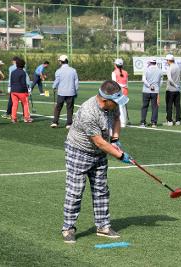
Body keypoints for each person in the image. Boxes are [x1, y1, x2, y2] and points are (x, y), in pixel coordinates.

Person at [61, 80, 132, 244]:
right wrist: (120, 155)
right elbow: (99, 141)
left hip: (100, 153)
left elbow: (116, 120)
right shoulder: (88, 111)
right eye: (116, 101)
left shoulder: (112, 106)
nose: (118, 105)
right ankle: (68, 228)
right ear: (105, 99)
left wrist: (115, 139)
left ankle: (103, 226)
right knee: (75, 192)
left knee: (101, 190)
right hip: (79, 151)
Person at [51, 55, 79, 129]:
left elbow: (57, 81)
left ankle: (55, 122)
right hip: (71, 92)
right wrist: (76, 90)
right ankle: (69, 124)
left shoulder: (58, 71)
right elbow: (76, 82)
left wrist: (53, 86)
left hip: (61, 93)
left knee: (58, 107)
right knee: (70, 108)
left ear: (61, 62)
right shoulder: (73, 70)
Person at [141, 58, 162, 128]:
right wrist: (157, 89)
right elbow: (160, 82)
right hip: (155, 91)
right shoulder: (159, 70)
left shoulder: (146, 69)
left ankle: (143, 122)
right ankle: (154, 123)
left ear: (150, 62)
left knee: (144, 106)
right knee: (155, 107)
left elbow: (144, 79)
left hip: (146, 90)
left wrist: (149, 85)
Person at [10, 58, 32, 123]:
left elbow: (11, 81)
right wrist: (27, 91)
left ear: (16, 65)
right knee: (25, 104)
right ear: (23, 65)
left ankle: (13, 118)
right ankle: (26, 118)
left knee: (15, 104)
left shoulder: (13, 72)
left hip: (13, 90)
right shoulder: (23, 72)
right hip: (21, 91)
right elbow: (23, 83)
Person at [111, 58, 129, 127]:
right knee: (123, 107)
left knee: (120, 107)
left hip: (118, 91)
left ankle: (122, 123)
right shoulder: (126, 72)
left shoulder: (114, 72)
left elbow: (114, 83)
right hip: (125, 90)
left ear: (115, 65)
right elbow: (126, 83)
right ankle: (124, 122)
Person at [165, 54, 181, 126]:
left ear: (169, 60)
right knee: (177, 105)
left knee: (169, 105)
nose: (166, 62)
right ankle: (178, 120)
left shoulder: (169, 67)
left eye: (166, 60)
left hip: (170, 89)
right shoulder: (178, 66)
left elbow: (169, 78)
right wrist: (177, 85)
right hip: (177, 90)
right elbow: (180, 75)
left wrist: (174, 84)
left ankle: (170, 121)